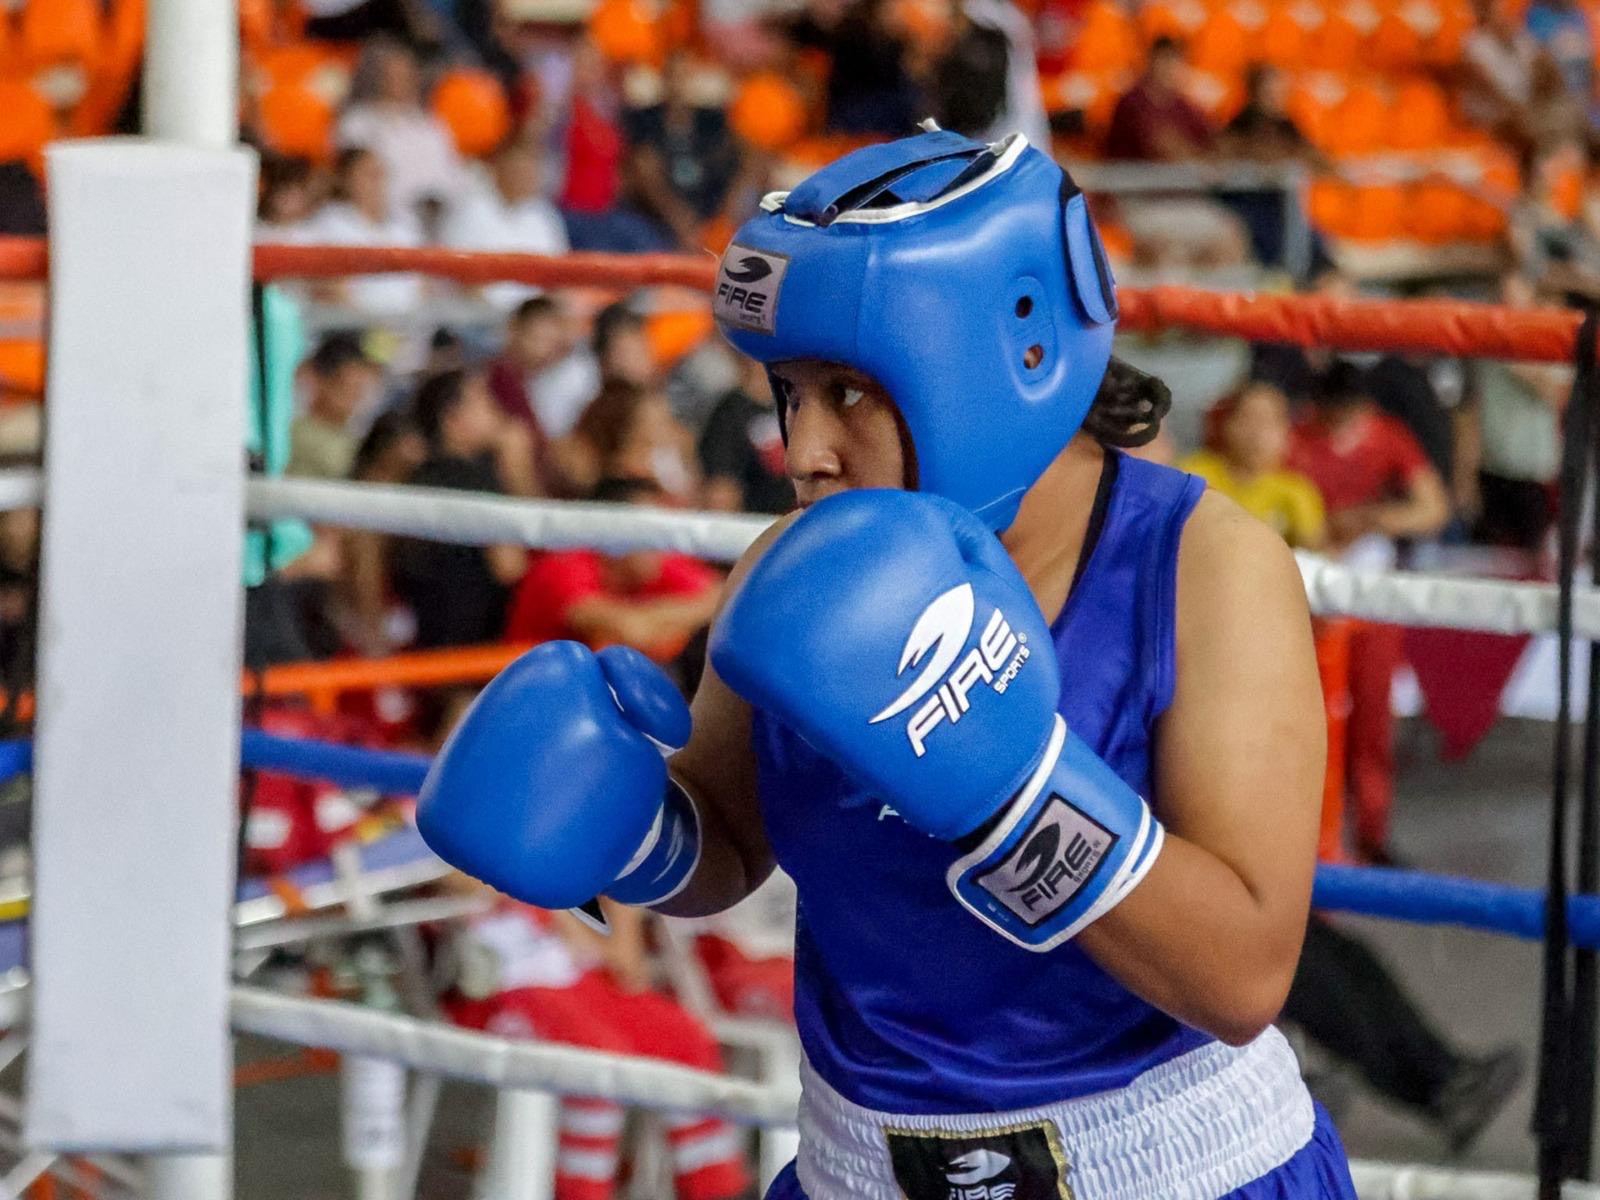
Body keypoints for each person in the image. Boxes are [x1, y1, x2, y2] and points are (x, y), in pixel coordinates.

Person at [420, 129, 1353, 1198]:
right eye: (789, 390)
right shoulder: (797, 560)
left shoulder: (1202, 568)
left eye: (849, 392)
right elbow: (725, 843)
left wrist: (1012, 790)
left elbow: (1241, 977)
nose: (802, 450)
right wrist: (625, 823)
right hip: (855, 1169)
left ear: (1014, 351)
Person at [445, 887, 752, 1200]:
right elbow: (447, 875)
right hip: (507, 990)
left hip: (579, 979)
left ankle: (714, 1191)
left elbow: (629, 973)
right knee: (598, 1056)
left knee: (684, 1037)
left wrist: (618, 908)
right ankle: (580, 1191)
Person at [1288, 360, 1450, 863]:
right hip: (1311, 588)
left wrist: (1373, 518)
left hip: (1369, 588)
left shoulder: (1388, 437)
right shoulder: (1296, 438)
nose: (1342, 422)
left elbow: (1433, 508)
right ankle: (1312, 837)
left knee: (1373, 712)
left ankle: (1372, 831)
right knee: (1308, 716)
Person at [505, 476, 721, 658]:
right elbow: (633, 632)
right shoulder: (563, 569)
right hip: (528, 695)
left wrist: (655, 619)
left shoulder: (655, 560)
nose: (660, 543)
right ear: (612, 532)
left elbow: (724, 596)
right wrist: (687, 615)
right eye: (650, 530)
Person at [390, 370, 526, 650]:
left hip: (427, 642)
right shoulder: (474, 481)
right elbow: (510, 566)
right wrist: (517, 469)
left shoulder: (416, 478)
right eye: (483, 401)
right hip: (475, 652)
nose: (496, 410)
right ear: (452, 419)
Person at [1180, 382, 1325, 549]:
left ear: (1285, 432)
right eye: (1248, 417)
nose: (1257, 432)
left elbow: (1313, 555)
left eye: (1269, 421)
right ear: (1228, 425)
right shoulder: (1192, 474)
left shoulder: (1298, 490)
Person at [442, 136, 570, 313]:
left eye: (531, 167)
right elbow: (460, 277)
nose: (526, 175)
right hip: (476, 316)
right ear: (498, 168)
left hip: (532, 319)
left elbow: (558, 278)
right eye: (519, 168)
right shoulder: (471, 210)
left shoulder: (544, 216)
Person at [698, 354, 792, 514]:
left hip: (797, 518)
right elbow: (721, 488)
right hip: (757, 524)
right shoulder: (730, 412)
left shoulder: (793, 402)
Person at [286, 332, 385, 480]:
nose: (355, 397)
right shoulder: (297, 433)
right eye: (347, 387)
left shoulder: (352, 437)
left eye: (360, 388)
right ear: (322, 382)